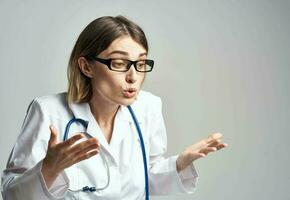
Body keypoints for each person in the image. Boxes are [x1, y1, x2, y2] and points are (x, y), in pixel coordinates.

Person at [1, 15, 228, 200]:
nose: (133, 77)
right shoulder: (49, 111)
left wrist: (180, 164)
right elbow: (10, 193)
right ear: (86, 66)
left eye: (140, 64)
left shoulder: (148, 107)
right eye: (119, 63)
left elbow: (147, 180)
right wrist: (48, 169)